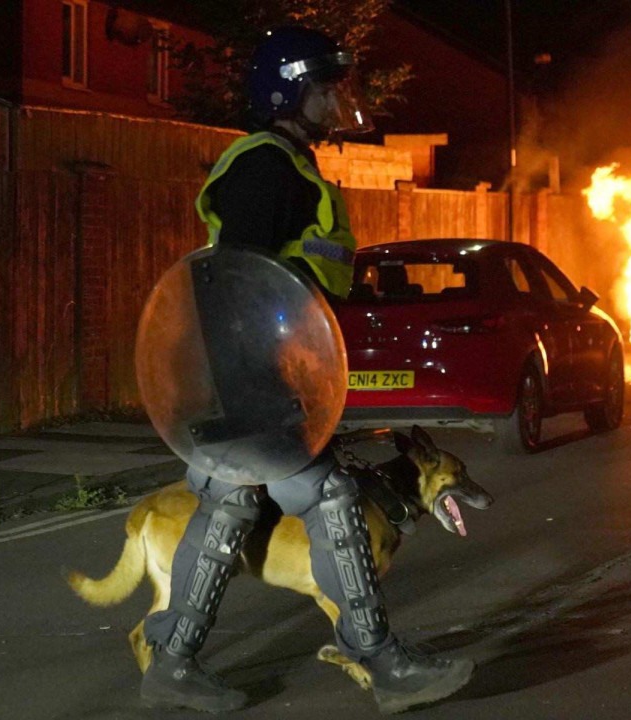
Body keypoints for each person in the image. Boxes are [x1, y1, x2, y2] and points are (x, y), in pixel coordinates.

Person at [139, 26, 474, 714]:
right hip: (254, 382)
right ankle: (378, 659)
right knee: (330, 499)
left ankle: (172, 662)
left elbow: (288, 284)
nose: (335, 99)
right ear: (291, 90)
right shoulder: (265, 166)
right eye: (324, 87)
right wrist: (260, 388)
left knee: (229, 501)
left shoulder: (288, 165)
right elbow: (237, 286)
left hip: (256, 380)